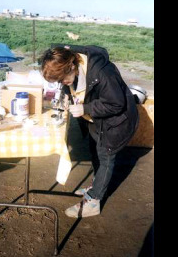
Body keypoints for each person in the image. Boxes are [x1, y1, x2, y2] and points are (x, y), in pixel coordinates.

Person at [40, 44, 139, 218]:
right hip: (97, 120)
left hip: (116, 121)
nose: (62, 83)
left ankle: (94, 201)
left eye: (63, 79)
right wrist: (67, 96)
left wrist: (85, 108)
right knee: (94, 150)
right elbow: (71, 85)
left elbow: (116, 103)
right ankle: (96, 185)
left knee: (106, 156)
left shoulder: (102, 72)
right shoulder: (72, 65)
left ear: (71, 66)